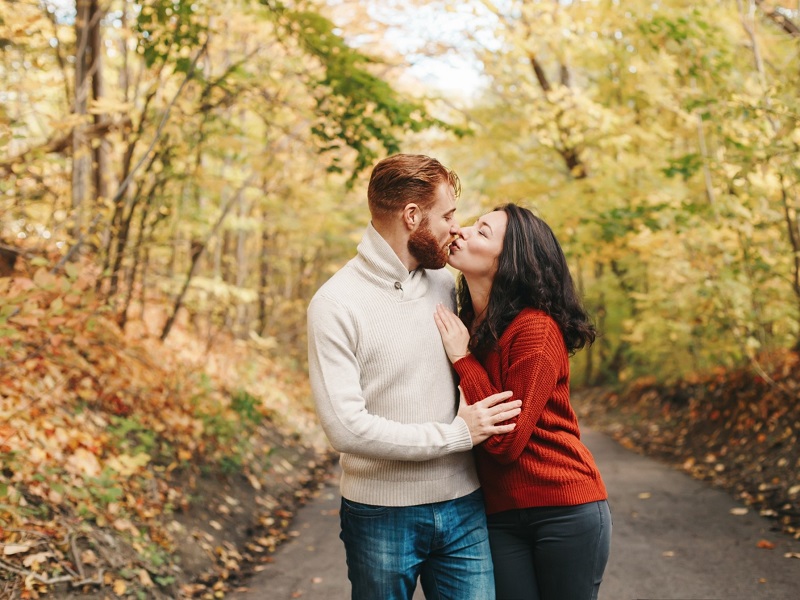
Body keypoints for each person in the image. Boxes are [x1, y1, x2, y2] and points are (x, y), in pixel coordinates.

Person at [307, 154, 522, 600]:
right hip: (380, 513)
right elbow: (346, 428)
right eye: (447, 215)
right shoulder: (335, 304)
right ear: (411, 216)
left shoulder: (444, 283)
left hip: (464, 504)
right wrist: (456, 436)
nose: (455, 228)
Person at [434, 203, 612, 600]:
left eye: (481, 231)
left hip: (563, 508)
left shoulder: (535, 329)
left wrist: (463, 359)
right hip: (499, 511)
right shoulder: (471, 326)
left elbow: (505, 441)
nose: (461, 231)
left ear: (509, 260)